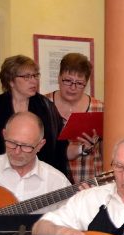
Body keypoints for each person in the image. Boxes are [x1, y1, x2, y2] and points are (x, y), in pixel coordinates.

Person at [0, 55, 68, 179]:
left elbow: (60, 149)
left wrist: (83, 148)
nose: (34, 81)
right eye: (27, 77)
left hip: (38, 178)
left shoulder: (47, 108)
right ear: (11, 81)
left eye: (35, 75)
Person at [46, 53, 104, 184]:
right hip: (50, 183)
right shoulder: (43, 105)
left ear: (86, 83)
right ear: (59, 78)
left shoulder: (99, 108)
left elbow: (106, 150)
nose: (73, 88)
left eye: (79, 83)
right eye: (67, 81)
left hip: (88, 184)